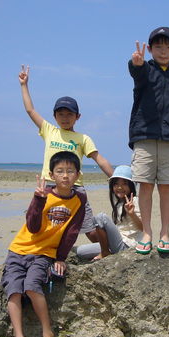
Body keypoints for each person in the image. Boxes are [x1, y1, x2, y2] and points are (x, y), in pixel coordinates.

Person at [1, 151, 86, 337]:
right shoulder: (43, 194)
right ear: (51, 174)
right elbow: (32, 226)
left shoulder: (79, 199)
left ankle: (48, 336)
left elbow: (72, 231)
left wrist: (61, 258)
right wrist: (38, 200)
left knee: (32, 287)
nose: (65, 176)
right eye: (60, 171)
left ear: (78, 175)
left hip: (44, 254)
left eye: (70, 171)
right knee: (14, 290)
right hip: (19, 250)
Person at [18, 65, 113, 243]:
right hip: (50, 186)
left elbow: (99, 159)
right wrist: (24, 85)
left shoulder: (83, 138)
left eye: (69, 114)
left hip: (75, 187)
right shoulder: (49, 131)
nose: (65, 118)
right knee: (44, 224)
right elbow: (30, 110)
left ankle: (109, 248)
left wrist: (115, 178)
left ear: (78, 117)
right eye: (60, 114)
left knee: (89, 229)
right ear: (54, 116)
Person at [128, 26, 169, 255]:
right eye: (158, 46)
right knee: (145, 186)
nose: (163, 51)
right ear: (149, 49)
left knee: (166, 187)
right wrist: (136, 64)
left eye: (168, 47)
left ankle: (165, 233)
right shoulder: (145, 70)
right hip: (144, 137)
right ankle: (146, 232)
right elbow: (136, 73)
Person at [76, 165, 142, 261]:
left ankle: (105, 252)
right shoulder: (119, 203)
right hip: (116, 243)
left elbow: (143, 228)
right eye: (116, 184)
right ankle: (106, 250)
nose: (119, 187)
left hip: (128, 245)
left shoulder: (135, 201)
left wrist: (132, 214)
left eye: (124, 184)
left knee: (100, 217)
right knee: (81, 251)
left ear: (131, 186)